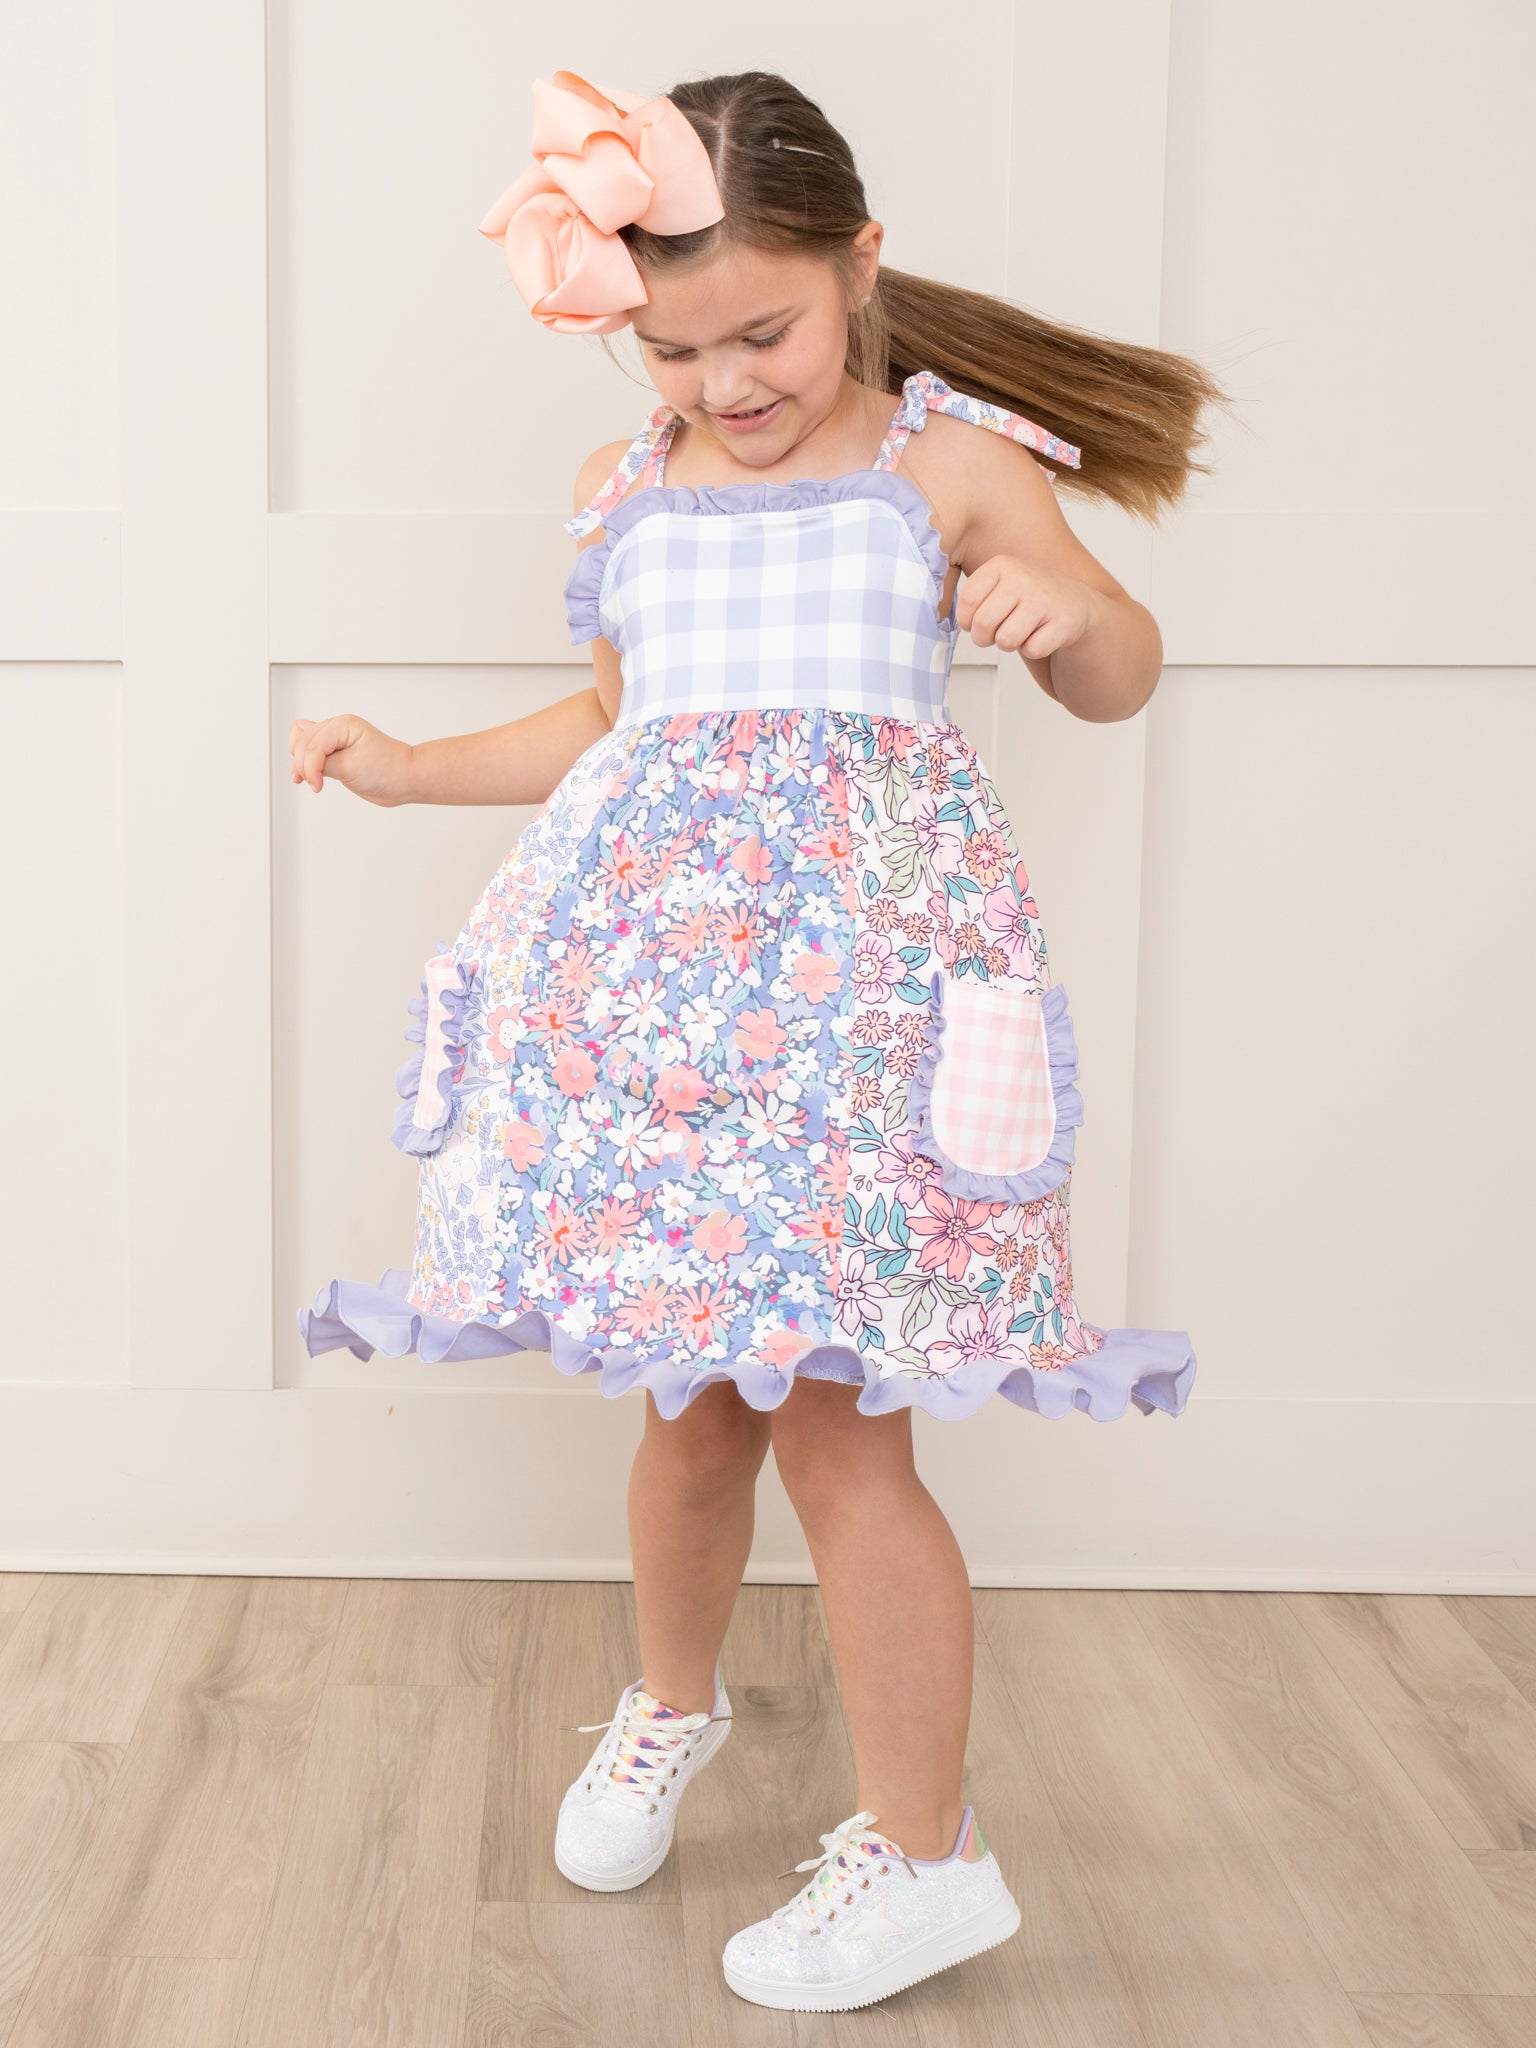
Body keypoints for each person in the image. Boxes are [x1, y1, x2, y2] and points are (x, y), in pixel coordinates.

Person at [291, 67, 1222, 2014]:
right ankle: (671, 1702)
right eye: (674, 346)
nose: (725, 384)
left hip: (856, 1036)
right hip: (657, 1033)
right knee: (690, 1407)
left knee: (839, 1432)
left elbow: (1126, 663)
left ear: (860, 268)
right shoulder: (625, 488)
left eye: (765, 334)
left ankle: (929, 1855)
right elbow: (608, 725)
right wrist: (407, 769)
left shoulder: (950, 467)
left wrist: (1065, 616)